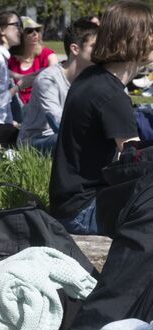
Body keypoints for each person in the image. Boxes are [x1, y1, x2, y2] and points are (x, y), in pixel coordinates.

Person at [49, 0, 152, 236]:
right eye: (150, 32)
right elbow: (136, 165)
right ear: (133, 38)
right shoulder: (111, 95)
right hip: (82, 212)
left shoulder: (92, 78)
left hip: (69, 205)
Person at [18, 18, 99, 153]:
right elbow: (58, 123)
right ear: (75, 49)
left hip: (67, 134)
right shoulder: (48, 80)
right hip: (35, 141)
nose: (102, 52)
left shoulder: (92, 78)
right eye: (95, 46)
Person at [0, 11, 34, 148]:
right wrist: (19, 87)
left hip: (3, 123)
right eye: (16, 25)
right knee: (34, 142)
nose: (20, 30)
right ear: (2, 30)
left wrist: (17, 76)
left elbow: (0, 74)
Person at [9, 16, 59, 105]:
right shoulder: (11, 59)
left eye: (37, 30)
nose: (35, 33)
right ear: (20, 34)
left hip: (40, 104)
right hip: (16, 104)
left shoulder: (47, 54)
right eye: (29, 31)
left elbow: (55, 71)